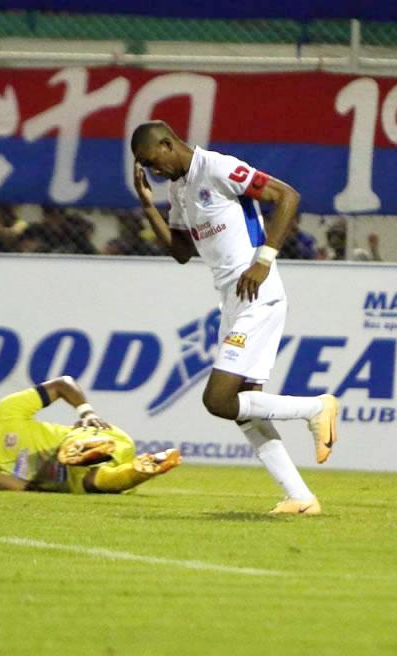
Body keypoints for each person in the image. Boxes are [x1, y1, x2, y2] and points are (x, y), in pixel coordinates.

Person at [131, 121, 338, 515]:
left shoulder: (218, 168)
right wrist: (147, 206)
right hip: (232, 302)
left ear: (167, 143)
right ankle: (300, 497)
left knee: (218, 399)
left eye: (150, 161)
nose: (152, 172)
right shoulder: (178, 191)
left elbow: (287, 196)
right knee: (245, 407)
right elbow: (179, 251)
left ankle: (316, 408)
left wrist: (264, 260)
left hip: (258, 295)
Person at [0, 375, 181, 493]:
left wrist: (86, 412)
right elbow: (18, 487)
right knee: (92, 485)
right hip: (93, 469)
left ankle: (93, 448)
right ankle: (147, 465)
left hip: (92, 436)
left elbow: (62, 385)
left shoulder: (4, 414)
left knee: (68, 452)